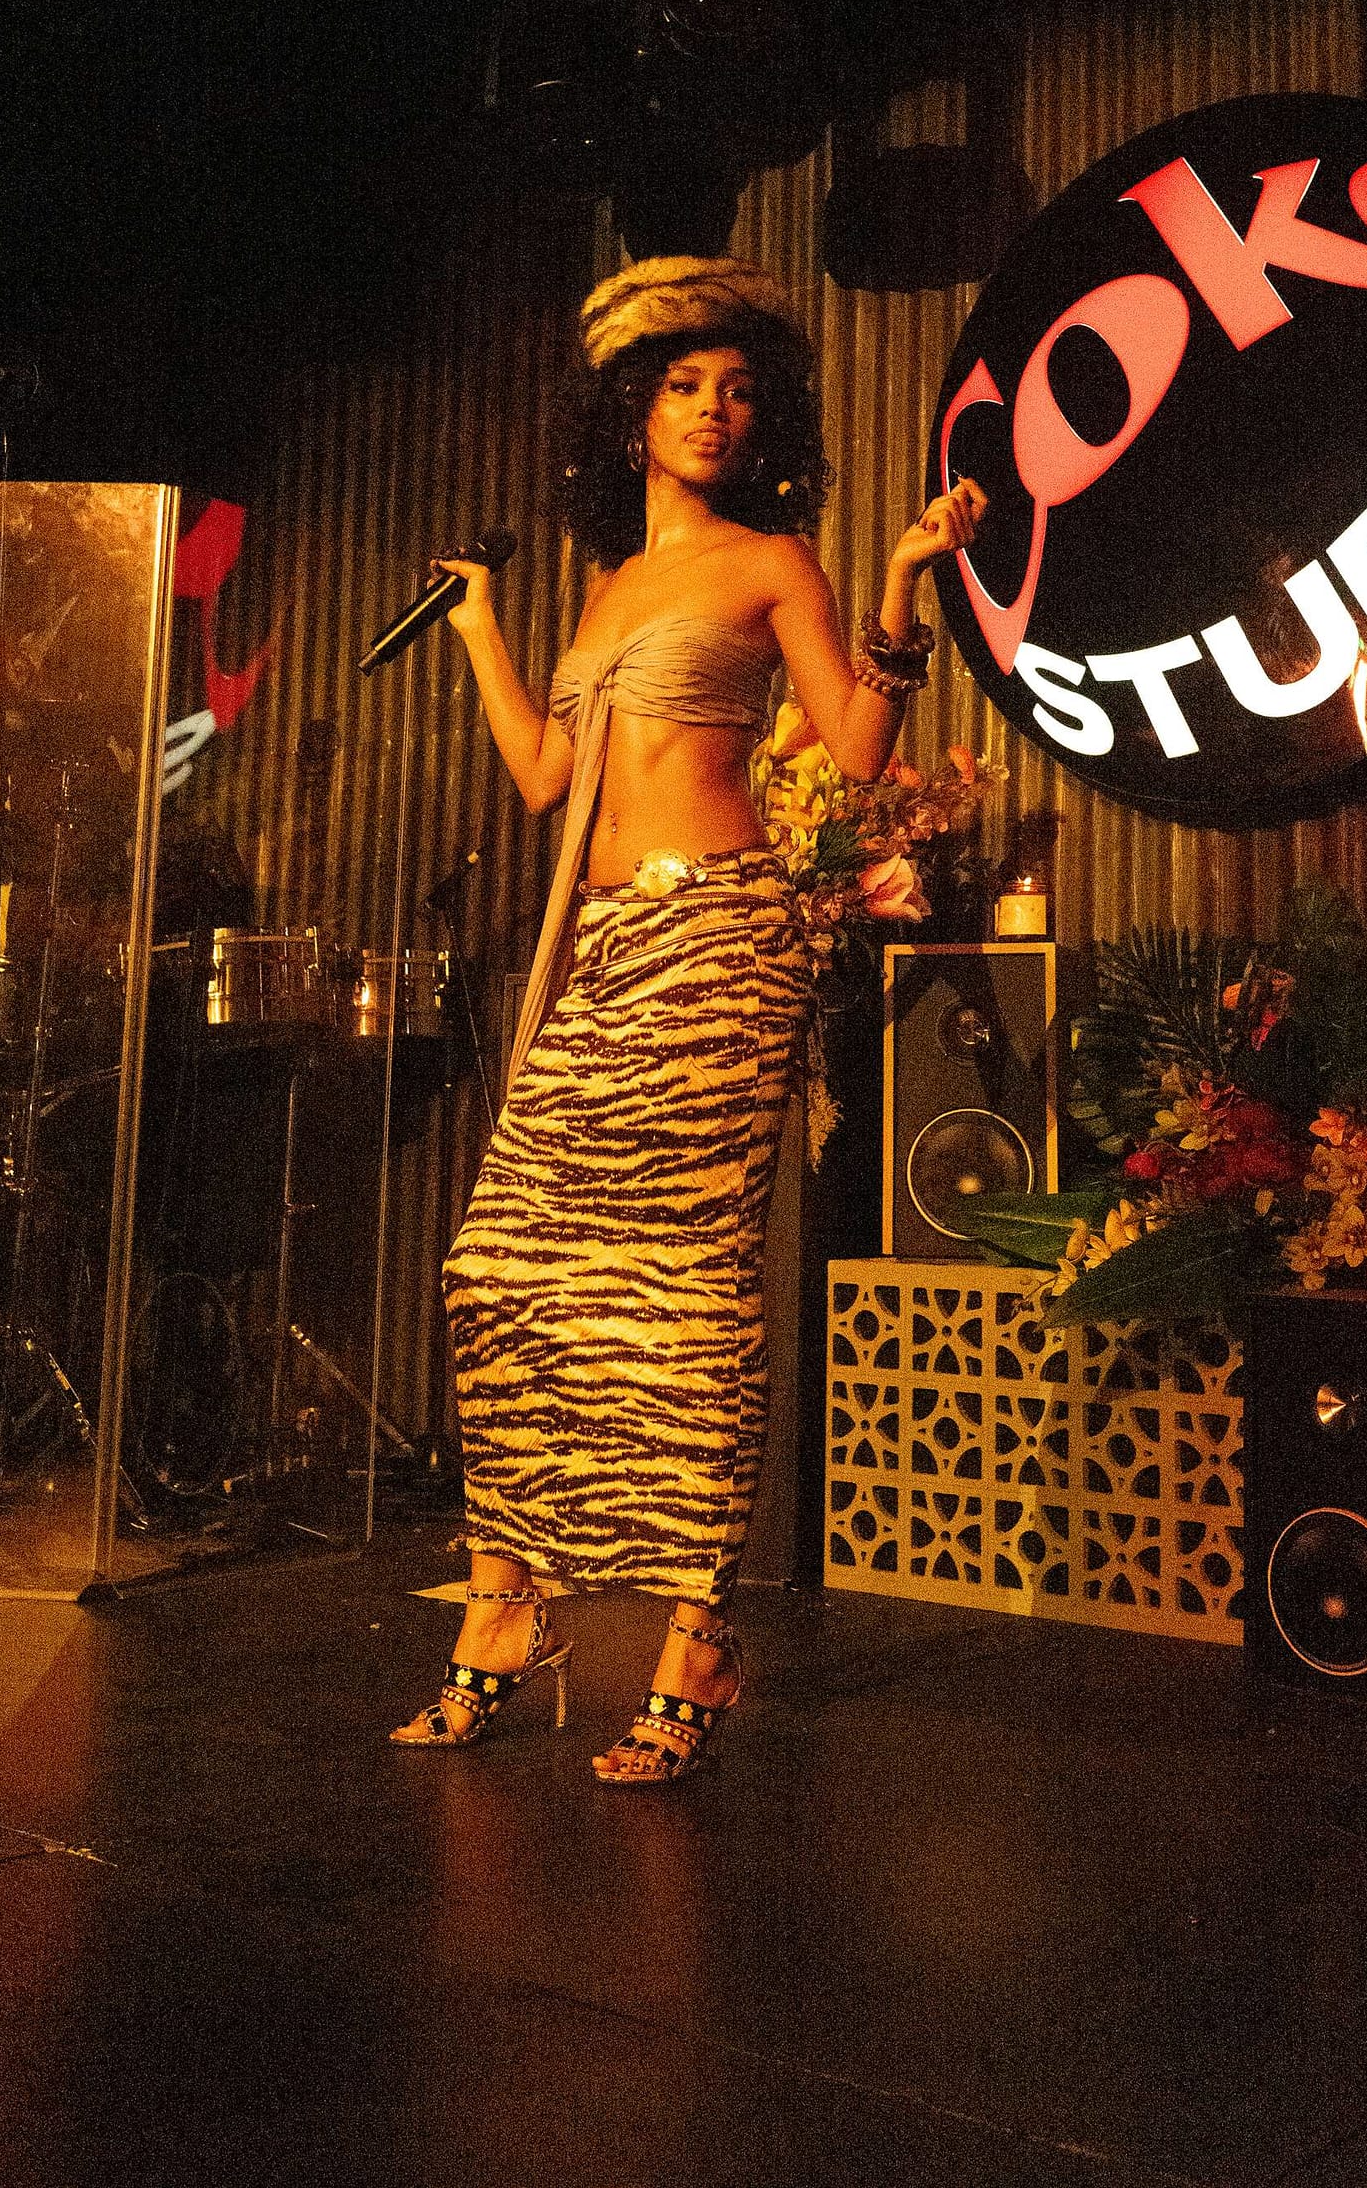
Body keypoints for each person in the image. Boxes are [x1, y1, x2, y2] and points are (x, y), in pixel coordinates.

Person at [391, 254, 983, 1784]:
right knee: (500, 1267)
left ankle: (694, 1637)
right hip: (601, 946)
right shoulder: (604, 590)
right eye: (683, 387)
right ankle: (506, 1605)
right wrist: (480, 627)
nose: (715, 410)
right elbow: (544, 782)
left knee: (690, 1290)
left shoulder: (774, 562)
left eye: (737, 391)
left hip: (720, 937)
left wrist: (904, 582)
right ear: (630, 417)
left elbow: (856, 753)